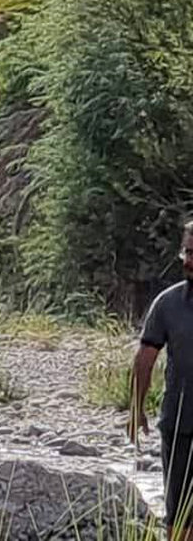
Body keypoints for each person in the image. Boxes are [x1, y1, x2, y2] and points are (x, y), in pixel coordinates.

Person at [132, 222, 193, 540]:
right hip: (179, 424)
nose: (187, 260)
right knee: (179, 509)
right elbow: (145, 357)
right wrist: (136, 408)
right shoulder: (168, 303)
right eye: (186, 251)